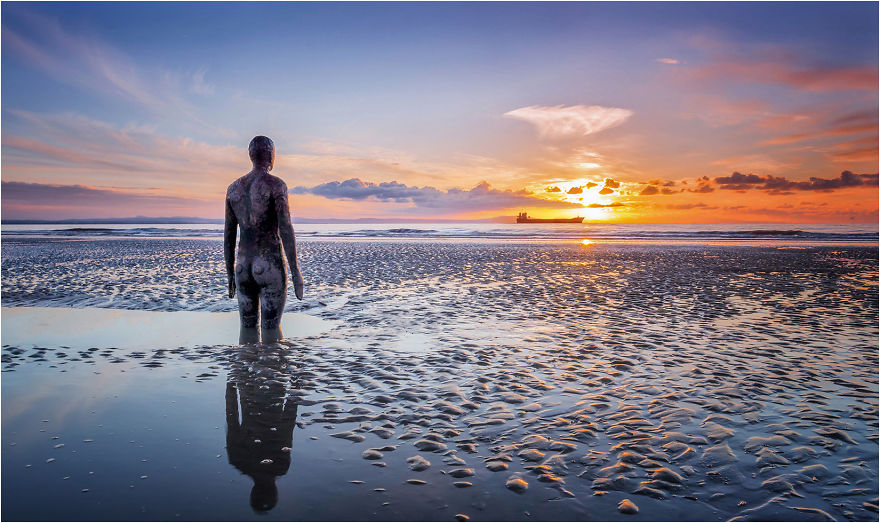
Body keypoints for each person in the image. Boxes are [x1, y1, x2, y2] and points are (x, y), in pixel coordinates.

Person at [225, 136, 304, 340]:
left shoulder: (233, 189)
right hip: (268, 264)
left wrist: (229, 274)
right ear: (270, 155)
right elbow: (285, 228)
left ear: (251, 156)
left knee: (247, 326)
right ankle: (271, 368)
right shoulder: (276, 185)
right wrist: (295, 272)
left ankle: (245, 366)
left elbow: (229, 234)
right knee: (270, 328)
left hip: (242, 267)